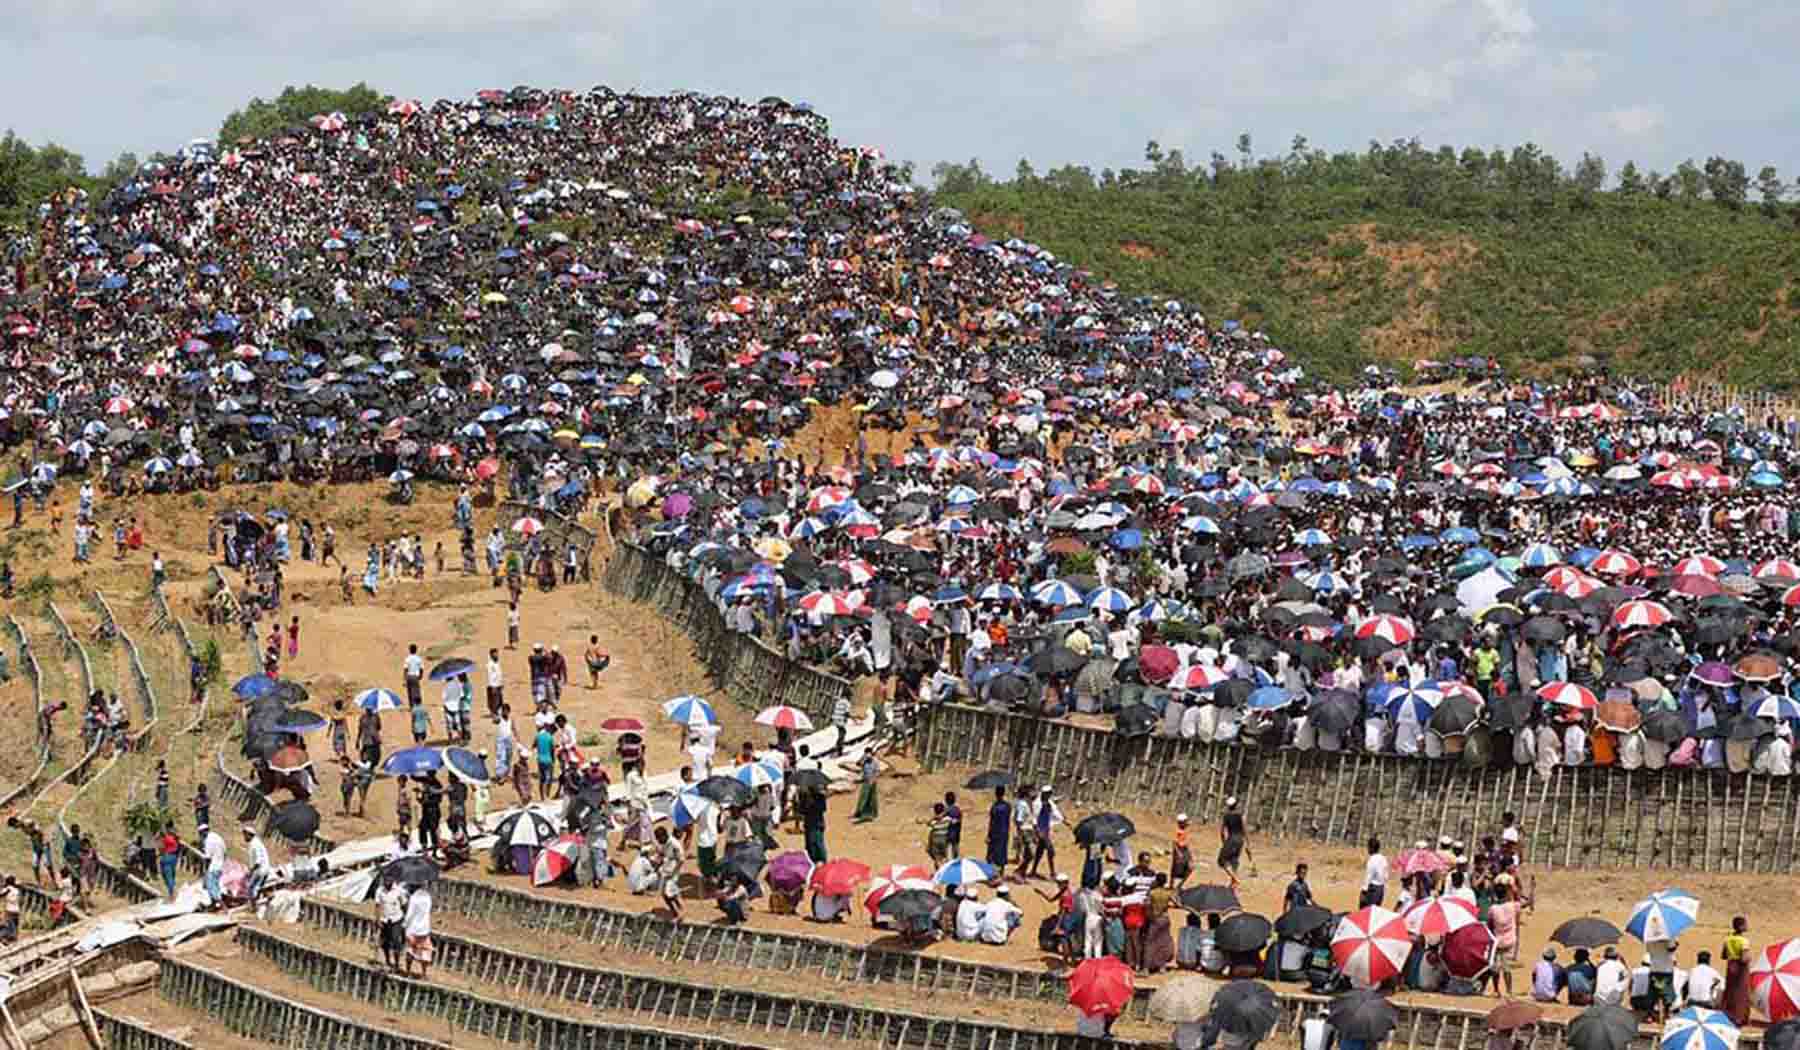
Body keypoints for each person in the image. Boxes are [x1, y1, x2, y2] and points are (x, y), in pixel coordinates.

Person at [1722, 916, 1751, 1024]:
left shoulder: (1728, 939)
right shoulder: (1744, 941)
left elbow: (1724, 955)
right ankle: (1740, 1017)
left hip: (1730, 966)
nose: (1747, 926)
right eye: (1745, 924)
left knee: (1730, 991)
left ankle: (1728, 1014)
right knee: (1741, 993)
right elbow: (1744, 958)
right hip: (1741, 969)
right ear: (1741, 926)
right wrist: (1748, 958)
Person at [377, 876, 408, 971]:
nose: (387, 882)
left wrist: (405, 919)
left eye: (389, 880)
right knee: (384, 942)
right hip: (385, 919)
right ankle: (387, 960)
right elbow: (377, 905)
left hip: (396, 919)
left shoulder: (399, 891)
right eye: (385, 880)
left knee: (395, 941)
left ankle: (397, 963)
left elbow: (404, 904)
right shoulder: (380, 891)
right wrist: (377, 919)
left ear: (392, 881)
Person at [403, 882, 434, 978]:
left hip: (413, 929)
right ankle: (424, 973)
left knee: (410, 951)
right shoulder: (428, 897)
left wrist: (404, 925)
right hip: (424, 929)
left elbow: (409, 915)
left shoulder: (414, 898)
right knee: (425, 951)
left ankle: (408, 972)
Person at [1218, 796, 1248, 889]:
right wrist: (1247, 843)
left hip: (1232, 839)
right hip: (1240, 840)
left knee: (1221, 861)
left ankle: (1235, 879)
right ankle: (1233, 884)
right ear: (1236, 805)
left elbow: (1222, 831)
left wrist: (1224, 843)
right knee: (1234, 860)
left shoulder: (1226, 816)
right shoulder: (1240, 815)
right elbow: (1244, 829)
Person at [200, 823, 226, 908]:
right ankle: (214, 904)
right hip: (220, 866)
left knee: (211, 886)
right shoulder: (219, 838)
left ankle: (222, 905)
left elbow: (208, 858)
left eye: (201, 833)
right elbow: (225, 853)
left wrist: (205, 870)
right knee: (216, 886)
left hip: (213, 867)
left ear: (203, 832)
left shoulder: (208, 840)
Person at [243, 827, 272, 901]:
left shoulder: (254, 844)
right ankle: (264, 899)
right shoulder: (257, 842)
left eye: (245, 835)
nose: (244, 837)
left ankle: (253, 908)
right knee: (259, 888)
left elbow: (258, 861)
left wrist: (251, 871)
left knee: (250, 888)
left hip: (260, 870)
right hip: (265, 869)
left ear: (249, 835)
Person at [985, 786, 1011, 870]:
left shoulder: (995, 807)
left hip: (995, 833)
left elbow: (992, 823)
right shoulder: (1007, 806)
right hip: (1004, 832)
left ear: (996, 794)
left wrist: (988, 835)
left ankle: (991, 874)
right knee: (1002, 852)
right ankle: (1001, 873)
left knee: (992, 854)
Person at [1360, 837, 1388, 908]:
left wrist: (1363, 891)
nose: (1367, 849)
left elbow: (1368, 876)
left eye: (1368, 847)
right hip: (1380, 889)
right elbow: (1386, 875)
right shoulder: (1383, 858)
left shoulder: (1372, 860)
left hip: (1372, 889)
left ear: (1371, 848)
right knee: (1375, 912)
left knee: (1365, 911)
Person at [852, 751, 879, 822]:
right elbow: (857, 764)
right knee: (863, 798)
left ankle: (873, 814)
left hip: (872, 782)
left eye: (868, 754)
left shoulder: (875, 762)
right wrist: (863, 757)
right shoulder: (865, 762)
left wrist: (873, 780)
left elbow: (876, 772)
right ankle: (859, 813)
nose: (867, 756)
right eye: (866, 754)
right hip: (865, 781)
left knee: (872, 798)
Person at [158, 821, 181, 899]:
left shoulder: (166, 838)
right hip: (174, 857)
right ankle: (173, 891)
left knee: (167, 876)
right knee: (172, 875)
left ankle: (172, 894)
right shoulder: (175, 837)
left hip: (166, 857)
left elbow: (160, 848)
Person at [1170, 813, 1193, 888]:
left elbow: (1188, 824)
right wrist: (1179, 853)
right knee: (1175, 869)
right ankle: (1172, 885)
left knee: (1190, 868)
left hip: (1185, 850)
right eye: (1184, 821)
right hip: (1180, 851)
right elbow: (1174, 843)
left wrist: (1189, 854)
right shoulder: (1178, 831)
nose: (1186, 823)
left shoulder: (1184, 829)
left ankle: (1179, 885)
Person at [0, 876, 19, 943]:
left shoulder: (7, 889)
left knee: (8, 925)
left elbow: (1, 895)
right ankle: (14, 938)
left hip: (9, 910)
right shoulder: (16, 890)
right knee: (15, 925)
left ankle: (5, 938)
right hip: (16, 910)